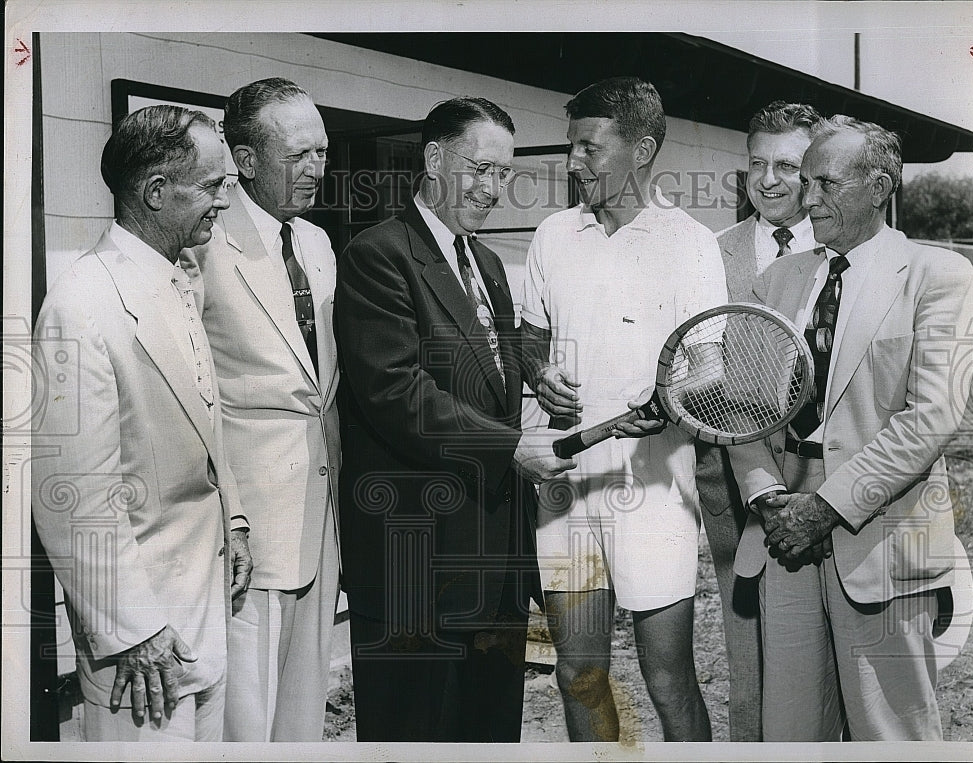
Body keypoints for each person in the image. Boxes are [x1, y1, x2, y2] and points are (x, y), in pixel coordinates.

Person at [728, 115, 973, 740]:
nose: (807, 200)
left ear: (881, 185)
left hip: (882, 540)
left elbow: (933, 415)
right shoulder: (776, 280)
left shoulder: (937, 276)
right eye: (805, 181)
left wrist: (829, 507)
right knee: (792, 732)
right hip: (783, 536)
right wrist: (767, 496)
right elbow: (741, 406)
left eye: (826, 184)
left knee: (891, 733)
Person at [335, 96, 575, 742]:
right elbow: (397, 391)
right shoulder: (376, 255)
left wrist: (536, 373)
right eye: (481, 169)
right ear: (434, 159)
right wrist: (513, 446)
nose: (494, 188)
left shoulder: (490, 265)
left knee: (491, 732)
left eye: (504, 174)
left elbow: (485, 376)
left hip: (491, 566)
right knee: (414, 733)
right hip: (414, 565)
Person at [31, 105, 251, 741]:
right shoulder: (81, 305)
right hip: (143, 646)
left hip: (203, 612)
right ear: (157, 192)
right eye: (212, 186)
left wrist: (233, 520)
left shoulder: (180, 274)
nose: (224, 203)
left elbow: (206, 422)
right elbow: (72, 499)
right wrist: (137, 631)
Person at [520, 77, 727, 742]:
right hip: (566, 489)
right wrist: (542, 370)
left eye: (589, 146)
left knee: (667, 680)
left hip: (655, 490)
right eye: (571, 146)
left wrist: (671, 403)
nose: (574, 161)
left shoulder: (691, 241)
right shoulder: (554, 233)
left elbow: (711, 368)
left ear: (640, 149)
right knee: (578, 673)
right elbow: (529, 337)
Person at [179, 78, 341, 742]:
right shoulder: (202, 244)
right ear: (245, 159)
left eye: (323, 152)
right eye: (300, 154)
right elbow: (193, 392)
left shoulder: (317, 244)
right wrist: (229, 515)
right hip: (246, 521)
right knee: (247, 714)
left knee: (303, 709)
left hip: (320, 511)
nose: (317, 169)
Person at [698, 100, 822, 741]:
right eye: (757, 165)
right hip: (731, 476)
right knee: (746, 638)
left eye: (788, 166)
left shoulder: (834, 254)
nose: (769, 180)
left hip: (816, 473)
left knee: (817, 642)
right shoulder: (709, 253)